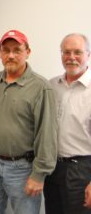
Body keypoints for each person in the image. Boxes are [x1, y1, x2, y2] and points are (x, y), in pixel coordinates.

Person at [0, 30, 57, 214]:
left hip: (22, 169)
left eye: (17, 50)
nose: (11, 55)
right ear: (0, 52)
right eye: (6, 50)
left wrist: (39, 175)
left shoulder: (41, 87)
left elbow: (47, 134)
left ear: (28, 52)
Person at [44, 33, 91, 214]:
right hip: (53, 168)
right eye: (66, 52)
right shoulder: (51, 85)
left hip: (82, 170)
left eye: (77, 52)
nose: (71, 57)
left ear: (88, 54)